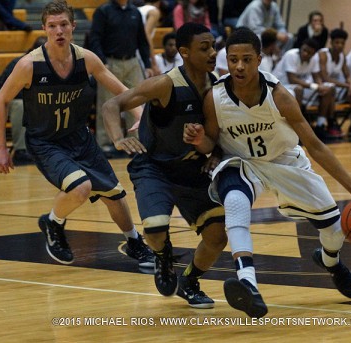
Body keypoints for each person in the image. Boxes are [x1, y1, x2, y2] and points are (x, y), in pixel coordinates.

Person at [183, 27, 351, 318]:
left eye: (246, 59)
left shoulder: (280, 95)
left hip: (285, 161)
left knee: (334, 231)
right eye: (233, 59)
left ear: (259, 59)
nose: (239, 66)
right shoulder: (215, 96)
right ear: (227, 60)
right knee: (234, 201)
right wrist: (199, 140)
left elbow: (315, 145)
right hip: (243, 162)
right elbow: (211, 142)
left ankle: (330, 261)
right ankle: (248, 284)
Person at [0, 0, 154, 269]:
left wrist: (139, 116)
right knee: (81, 187)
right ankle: (54, 224)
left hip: (79, 139)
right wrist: (0, 146)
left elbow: (122, 91)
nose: (59, 31)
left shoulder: (86, 59)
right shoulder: (29, 65)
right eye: (52, 26)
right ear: (44, 29)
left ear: (73, 26)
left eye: (63, 24)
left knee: (115, 194)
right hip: (45, 142)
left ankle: (134, 241)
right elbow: (1, 102)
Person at [102, 23, 227, 308]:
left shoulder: (217, 84)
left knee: (217, 236)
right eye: (204, 48)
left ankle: (190, 281)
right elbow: (111, 105)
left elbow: (216, 136)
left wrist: (213, 150)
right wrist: (119, 138)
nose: (212, 53)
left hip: (193, 170)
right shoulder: (165, 83)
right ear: (184, 52)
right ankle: (163, 256)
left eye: (213, 47)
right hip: (155, 167)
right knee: (156, 230)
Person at [89, 0, 153, 156]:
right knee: (107, 102)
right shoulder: (103, 11)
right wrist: (102, 62)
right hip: (110, 63)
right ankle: (105, 143)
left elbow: (142, 41)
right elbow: (95, 38)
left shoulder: (135, 12)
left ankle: (137, 140)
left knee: (137, 100)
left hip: (132, 62)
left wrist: (147, 64)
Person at [0, 35, 47, 165]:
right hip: (11, 102)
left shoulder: (49, 65)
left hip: (36, 103)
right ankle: (21, 151)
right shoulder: (21, 64)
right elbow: (5, 96)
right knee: (21, 105)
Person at [272, 39, 340, 140]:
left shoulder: (314, 59)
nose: (305, 53)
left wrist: (321, 86)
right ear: (301, 47)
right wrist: (316, 87)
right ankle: (298, 127)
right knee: (299, 89)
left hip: (300, 87)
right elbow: (292, 79)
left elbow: (316, 76)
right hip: (282, 86)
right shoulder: (291, 55)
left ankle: (320, 125)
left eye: (309, 52)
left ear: (313, 54)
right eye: (304, 50)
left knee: (329, 88)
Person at [315, 28, 351, 137]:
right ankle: (330, 123)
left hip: (334, 87)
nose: (340, 45)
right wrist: (347, 85)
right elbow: (325, 78)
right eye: (337, 42)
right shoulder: (323, 54)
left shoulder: (342, 56)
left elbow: (347, 74)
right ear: (331, 43)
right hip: (319, 88)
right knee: (331, 88)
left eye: (342, 43)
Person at [139, 0, 162, 76]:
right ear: (158, 2)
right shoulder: (154, 11)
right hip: (139, 52)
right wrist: (154, 63)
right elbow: (146, 34)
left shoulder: (137, 9)